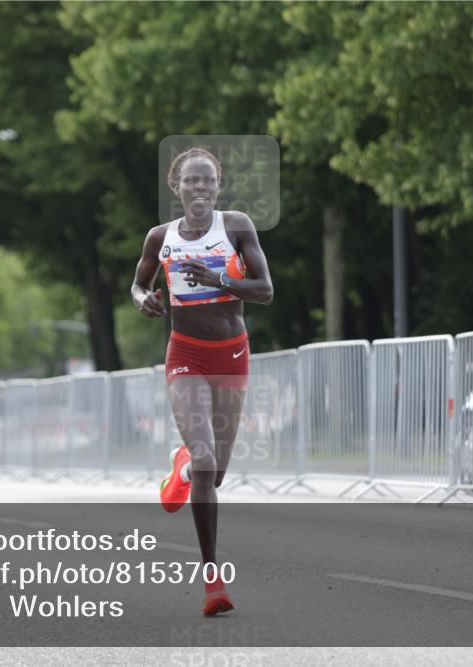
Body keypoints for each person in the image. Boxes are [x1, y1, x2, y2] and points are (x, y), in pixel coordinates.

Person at [131, 147, 274, 616]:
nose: (199, 188)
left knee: (215, 473)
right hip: (186, 354)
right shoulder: (160, 237)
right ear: (177, 187)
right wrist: (142, 299)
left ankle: (184, 469)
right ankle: (212, 578)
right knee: (209, 458)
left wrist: (220, 280)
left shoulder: (236, 227)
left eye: (207, 181)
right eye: (190, 181)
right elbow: (138, 283)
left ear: (218, 186)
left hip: (232, 356)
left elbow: (266, 291)